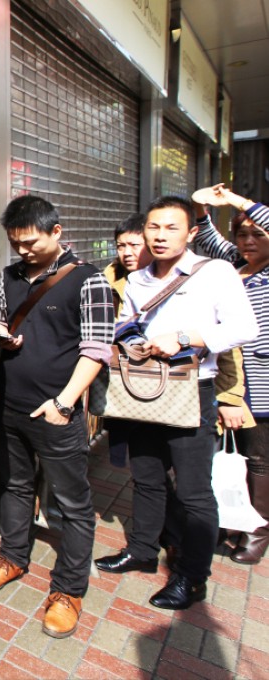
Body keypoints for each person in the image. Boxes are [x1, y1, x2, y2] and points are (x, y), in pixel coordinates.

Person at [95, 195, 258, 610]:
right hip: (142, 390)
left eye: (171, 228)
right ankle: (144, 551)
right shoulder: (138, 279)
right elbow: (129, 326)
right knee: (147, 478)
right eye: (154, 227)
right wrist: (130, 340)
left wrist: (186, 338)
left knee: (193, 492)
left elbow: (245, 327)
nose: (161, 235)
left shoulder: (215, 272)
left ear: (191, 232)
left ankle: (192, 576)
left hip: (191, 391)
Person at [0, 195, 115, 638]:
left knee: (74, 505)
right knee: (16, 486)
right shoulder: (8, 276)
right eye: (15, 243)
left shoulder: (88, 281)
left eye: (31, 242)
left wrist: (64, 404)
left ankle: (68, 591)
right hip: (9, 403)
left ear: (56, 232)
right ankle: (13, 557)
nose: (23, 251)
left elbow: (96, 350)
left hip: (55, 411)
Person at [189, 183, 269, 564]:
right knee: (228, 452)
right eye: (242, 234)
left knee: (259, 456)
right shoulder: (237, 265)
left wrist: (236, 202)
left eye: (258, 234)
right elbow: (209, 241)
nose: (248, 241)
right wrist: (201, 208)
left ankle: (259, 529)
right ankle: (231, 517)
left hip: (263, 380)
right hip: (230, 378)